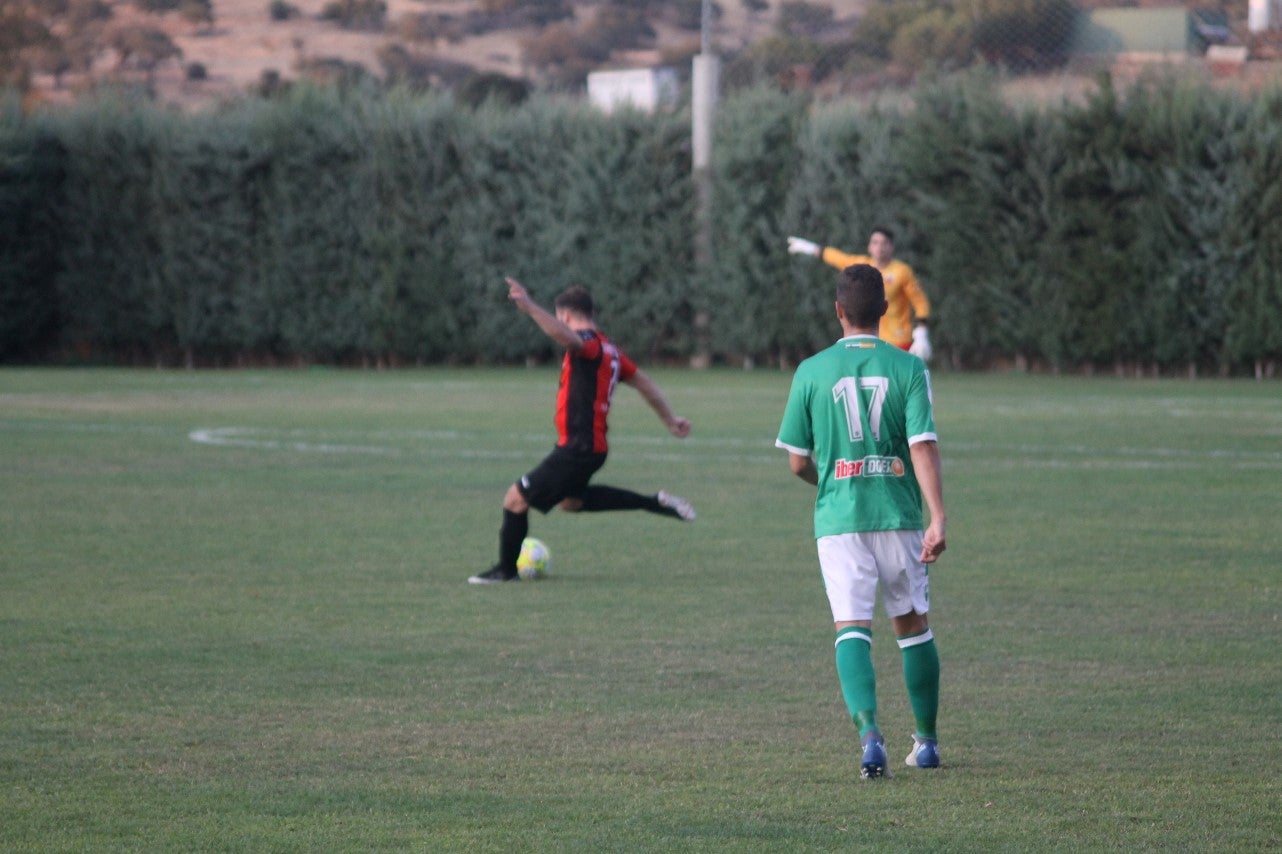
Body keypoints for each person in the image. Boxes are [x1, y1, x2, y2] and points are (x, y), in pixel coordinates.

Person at [775, 263, 947, 778]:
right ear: (886, 310)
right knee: (912, 626)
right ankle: (928, 742)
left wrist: (829, 480)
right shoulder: (909, 368)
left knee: (852, 628)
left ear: (837, 311)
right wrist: (937, 516)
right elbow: (923, 447)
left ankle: (870, 735)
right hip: (898, 514)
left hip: (840, 519)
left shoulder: (810, 370)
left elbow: (798, 461)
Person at [468, 277, 696, 585]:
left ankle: (506, 571)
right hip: (592, 448)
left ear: (564, 315)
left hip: (577, 447)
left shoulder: (587, 343)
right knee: (571, 502)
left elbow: (570, 340)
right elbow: (645, 383)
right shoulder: (610, 350)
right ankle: (653, 502)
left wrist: (532, 308)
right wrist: (670, 419)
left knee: (514, 499)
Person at [787, 227, 934, 361]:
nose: (880, 247)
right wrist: (808, 247)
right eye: (875, 242)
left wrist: (922, 330)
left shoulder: (902, 271)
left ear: (892, 247)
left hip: (898, 339)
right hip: (870, 338)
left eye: (885, 243)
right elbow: (836, 257)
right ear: (869, 247)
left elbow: (920, 302)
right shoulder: (862, 266)